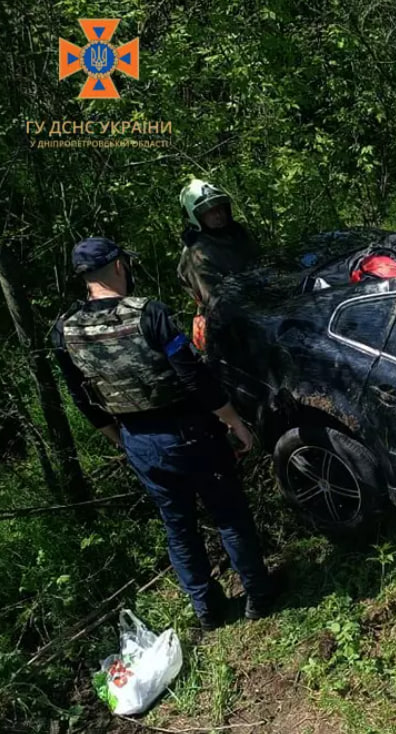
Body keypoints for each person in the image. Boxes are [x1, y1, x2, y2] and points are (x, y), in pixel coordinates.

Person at [51, 236, 273, 631]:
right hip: (189, 431)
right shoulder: (149, 314)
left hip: (138, 438)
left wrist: (118, 438)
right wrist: (233, 420)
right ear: (119, 266)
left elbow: (81, 397)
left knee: (178, 527)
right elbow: (192, 375)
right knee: (227, 513)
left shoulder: (64, 331)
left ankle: (207, 610)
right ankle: (258, 594)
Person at [177, 180, 260, 349]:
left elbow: (263, 264)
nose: (218, 215)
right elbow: (217, 301)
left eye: (220, 209)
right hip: (227, 328)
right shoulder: (197, 254)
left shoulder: (236, 235)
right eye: (210, 211)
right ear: (197, 216)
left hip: (258, 309)